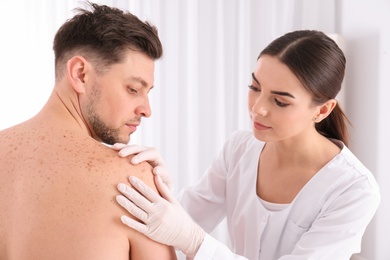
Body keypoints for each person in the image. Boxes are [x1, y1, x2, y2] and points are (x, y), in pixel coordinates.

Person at [114, 30, 381, 259]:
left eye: (280, 101)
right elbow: (181, 222)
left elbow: (187, 233)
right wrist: (159, 186)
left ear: (322, 111)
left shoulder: (354, 189)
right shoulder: (239, 149)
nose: (258, 109)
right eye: (254, 87)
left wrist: (194, 241)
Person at [0, 2, 177, 260]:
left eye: (147, 93)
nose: (146, 109)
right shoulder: (131, 181)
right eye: (133, 89)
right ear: (81, 74)